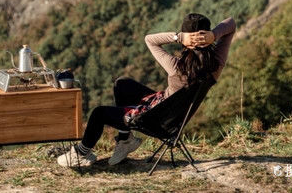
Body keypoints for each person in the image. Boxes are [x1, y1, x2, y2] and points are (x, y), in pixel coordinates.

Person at [57, 13, 235, 168]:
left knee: (98, 113)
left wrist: (178, 37)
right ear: (208, 38)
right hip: (173, 118)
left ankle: (81, 153)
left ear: (186, 43)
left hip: (154, 120)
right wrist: (214, 35)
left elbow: (149, 39)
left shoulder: (176, 67)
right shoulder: (216, 65)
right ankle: (126, 140)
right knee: (122, 84)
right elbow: (231, 24)